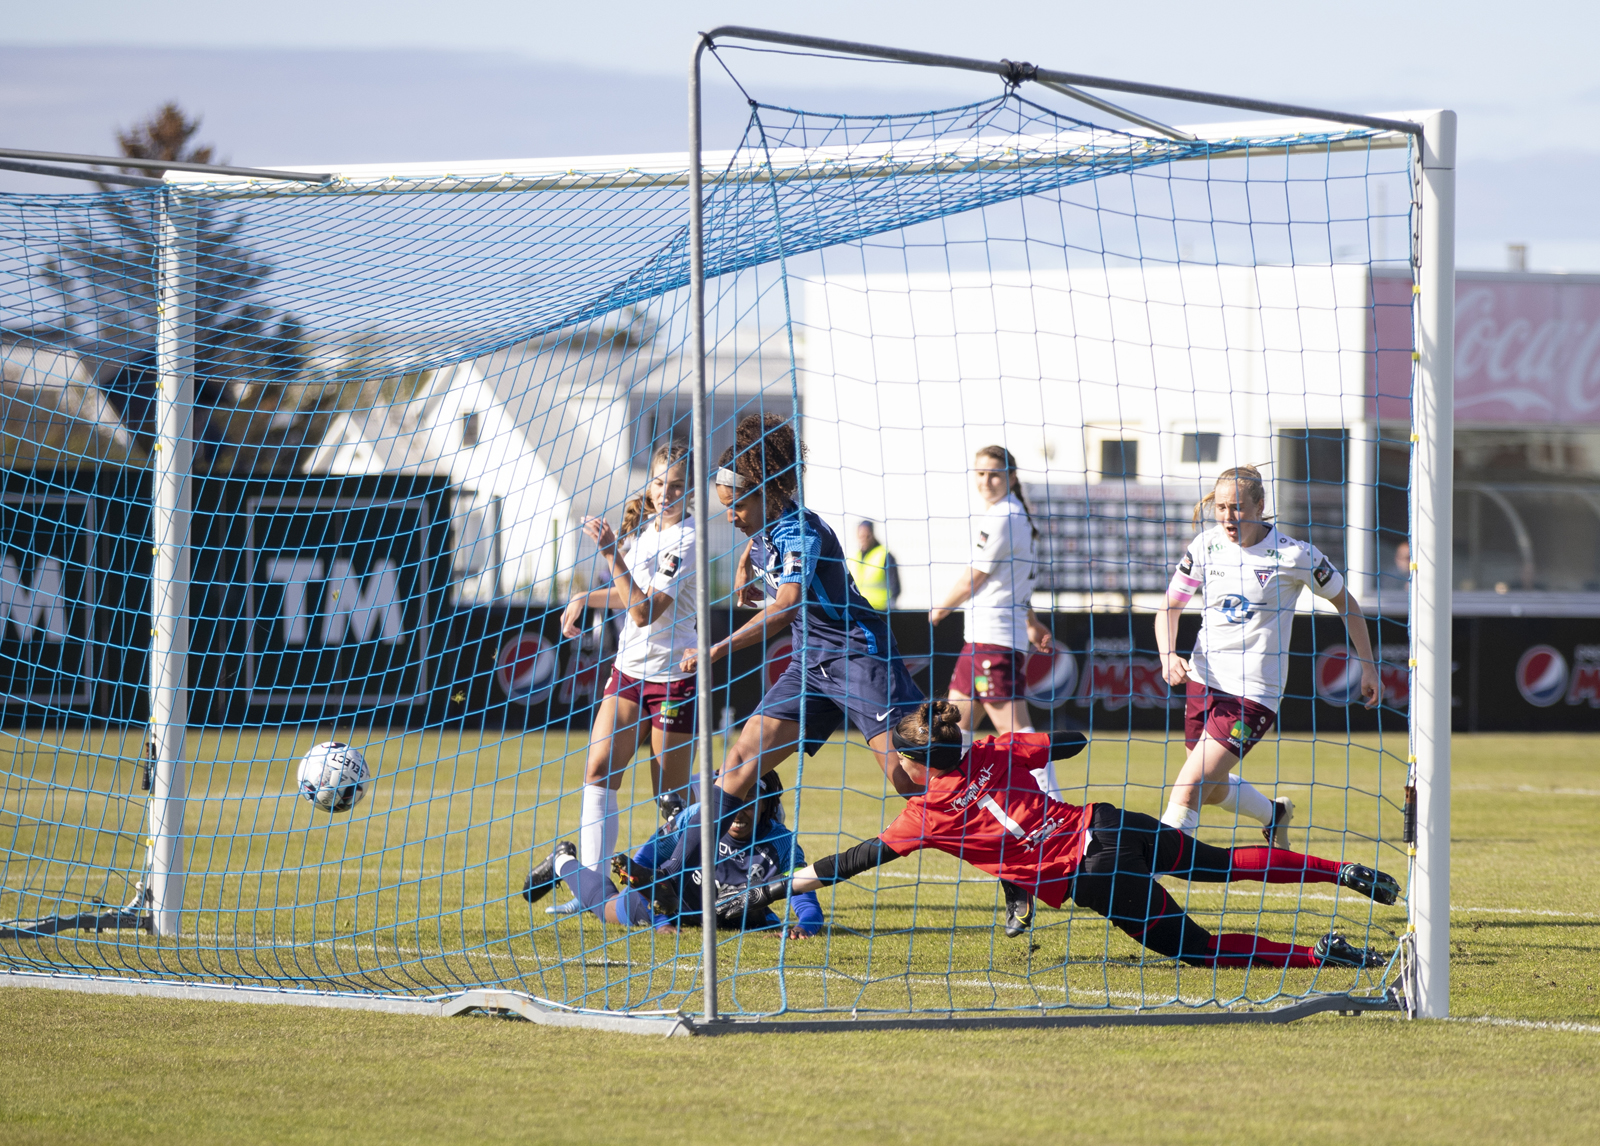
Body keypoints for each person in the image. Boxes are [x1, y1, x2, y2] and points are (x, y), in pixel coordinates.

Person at [719, 702, 1397, 971]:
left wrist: (774, 888)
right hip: (1106, 822)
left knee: (1200, 950)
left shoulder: (923, 815)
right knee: (1221, 864)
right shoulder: (994, 751)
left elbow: (848, 863)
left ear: (913, 763)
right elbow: (1070, 741)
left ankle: (1319, 954)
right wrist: (1011, 746)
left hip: (1091, 873)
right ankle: (1341, 872)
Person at [654, 414, 926, 889]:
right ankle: (673, 876)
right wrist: (743, 567)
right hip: (809, 665)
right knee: (738, 760)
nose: (730, 516)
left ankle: (1013, 848)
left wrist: (716, 648)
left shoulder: (800, 531)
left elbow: (786, 607)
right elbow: (761, 549)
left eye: (736, 506)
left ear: (766, 493)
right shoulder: (761, 531)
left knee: (911, 777)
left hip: (859, 657)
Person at [1154, 465, 1380, 846]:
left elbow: (1347, 604)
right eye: (1221, 507)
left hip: (1253, 695)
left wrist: (1369, 666)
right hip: (1202, 680)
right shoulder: (1204, 546)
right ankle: (1273, 814)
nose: (1228, 517)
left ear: (1260, 507)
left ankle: (1147, 874)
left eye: (1237, 508)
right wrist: (1168, 655)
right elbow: (1169, 608)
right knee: (1210, 788)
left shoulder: (1295, 555)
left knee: (1191, 784)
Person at [532, 442, 697, 909]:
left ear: (688, 494)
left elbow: (645, 612)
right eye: (661, 482)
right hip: (628, 673)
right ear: (651, 484)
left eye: (678, 486)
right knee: (598, 769)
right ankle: (592, 890)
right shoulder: (643, 534)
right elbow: (628, 596)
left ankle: (680, 888)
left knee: (670, 798)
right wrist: (587, 599)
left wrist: (609, 554)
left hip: (673, 679)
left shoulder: (687, 539)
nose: (667, 492)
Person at [523, 771, 823, 936]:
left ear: (767, 806)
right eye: (733, 801)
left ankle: (673, 809)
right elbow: (641, 869)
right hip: (670, 900)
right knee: (605, 907)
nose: (739, 811)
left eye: (751, 801)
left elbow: (802, 892)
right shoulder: (698, 820)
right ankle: (562, 860)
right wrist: (660, 920)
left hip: (725, 914)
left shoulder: (782, 842)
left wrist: (804, 926)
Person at [847, 520, 900, 611]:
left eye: (867, 536)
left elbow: (895, 586)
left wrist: (890, 605)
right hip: (859, 610)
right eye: (861, 536)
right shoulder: (854, 557)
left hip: (880, 610)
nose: (864, 539)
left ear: (872, 534)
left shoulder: (884, 555)